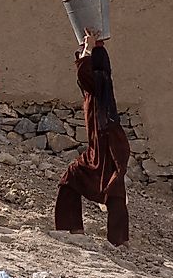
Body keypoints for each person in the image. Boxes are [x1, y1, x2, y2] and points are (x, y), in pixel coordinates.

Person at [54, 28, 130, 246]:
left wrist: (88, 48)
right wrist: (89, 46)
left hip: (106, 144)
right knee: (109, 188)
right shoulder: (99, 86)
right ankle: (116, 239)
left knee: (79, 179)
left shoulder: (96, 85)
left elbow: (83, 72)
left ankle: (77, 230)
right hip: (108, 144)